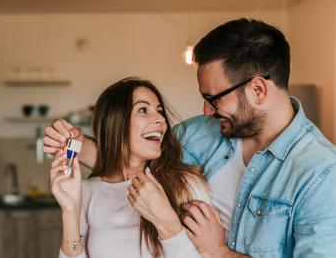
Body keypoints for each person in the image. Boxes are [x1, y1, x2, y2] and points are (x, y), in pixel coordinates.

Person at [44, 18, 336, 258]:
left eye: (214, 98)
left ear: (258, 90)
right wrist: (73, 145)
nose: (206, 111)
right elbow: (131, 162)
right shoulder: (202, 134)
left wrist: (220, 252)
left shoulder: (320, 174)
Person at [50, 77, 211, 258]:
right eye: (143, 110)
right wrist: (70, 211)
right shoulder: (88, 191)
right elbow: (74, 249)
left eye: (159, 111)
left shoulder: (187, 184)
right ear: (115, 123)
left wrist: (168, 222)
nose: (160, 119)